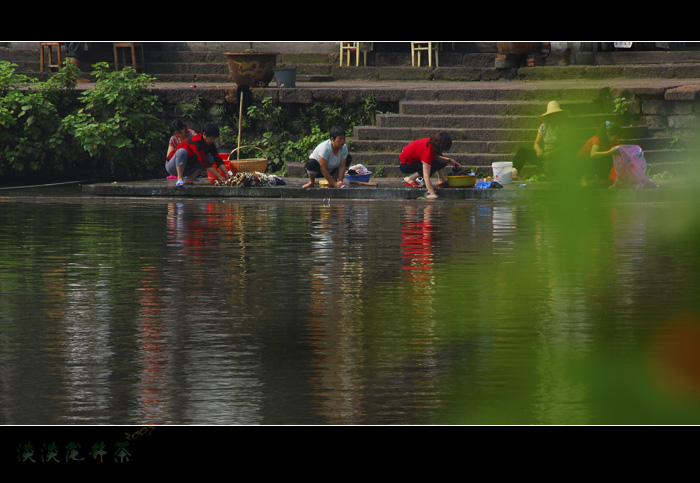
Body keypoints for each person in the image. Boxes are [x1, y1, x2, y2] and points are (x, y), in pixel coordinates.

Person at [513, 100, 571, 177]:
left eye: (556, 115)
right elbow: (536, 143)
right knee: (522, 152)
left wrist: (552, 153)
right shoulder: (544, 126)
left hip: (557, 158)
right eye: (552, 115)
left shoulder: (564, 128)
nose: (555, 117)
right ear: (549, 117)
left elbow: (565, 146)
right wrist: (538, 150)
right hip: (544, 156)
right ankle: (514, 172)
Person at [166, 122, 230, 186]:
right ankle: (180, 178)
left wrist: (226, 173)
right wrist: (219, 176)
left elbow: (218, 159)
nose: (212, 141)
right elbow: (204, 162)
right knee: (182, 151)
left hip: (188, 167)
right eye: (211, 138)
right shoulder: (195, 142)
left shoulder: (210, 144)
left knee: (210, 158)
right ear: (204, 135)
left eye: (214, 139)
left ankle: (191, 178)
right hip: (173, 166)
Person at [399, 132, 461, 198]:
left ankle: (441, 179)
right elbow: (426, 177)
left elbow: (436, 157)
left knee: (440, 161)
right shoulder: (427, 152)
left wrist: (449, 160)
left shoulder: (432, 143)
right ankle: (410, 179)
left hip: (411, 160)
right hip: (405, 164)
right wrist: (432, 193)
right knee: (431, 166)